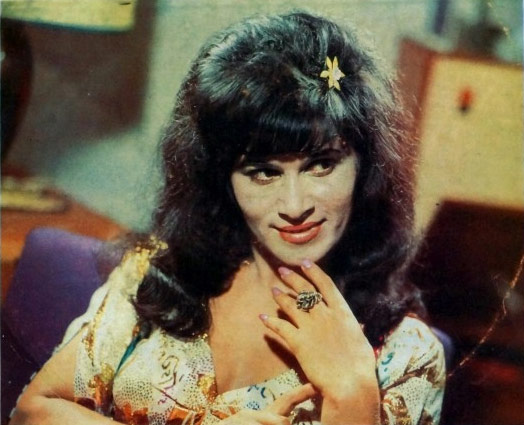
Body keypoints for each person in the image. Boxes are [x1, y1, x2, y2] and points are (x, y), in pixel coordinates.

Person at [10, 11, 445, 425]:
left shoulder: (404, 355)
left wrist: (354, 398)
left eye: (321, 165)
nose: (295, 205)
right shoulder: (160, 273)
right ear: (223, 179)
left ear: (364, 167)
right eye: (263, 172)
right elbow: (32, 412)